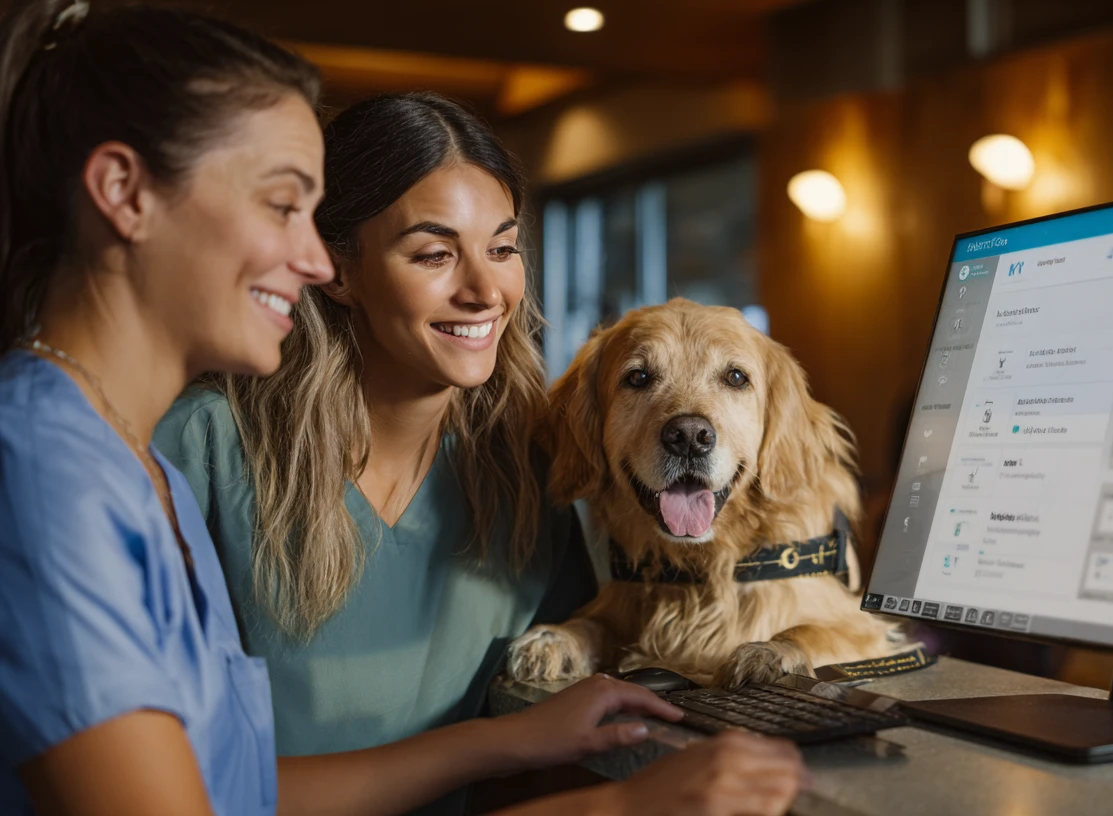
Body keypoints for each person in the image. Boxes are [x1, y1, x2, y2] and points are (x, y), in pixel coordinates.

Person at [0, 2, 806, 815]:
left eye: (503, 246)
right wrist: (621, 810)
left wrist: (499, 740)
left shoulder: (115, 456)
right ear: (122, 191)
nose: (311, 257)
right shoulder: (53, 467)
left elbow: (235, 790)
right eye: (283, 206)